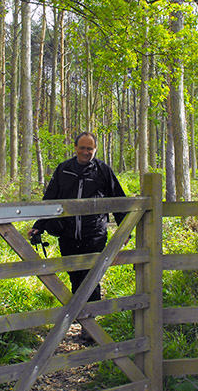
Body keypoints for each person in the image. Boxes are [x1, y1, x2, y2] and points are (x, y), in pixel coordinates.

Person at [28, 131, 126, 306]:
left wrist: (124, 230)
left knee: (91, 278)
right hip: (67, 234)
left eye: (90, 148)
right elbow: (50, 199)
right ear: (75, 148)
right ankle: (81, 318)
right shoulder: (63, 169)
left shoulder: (103, 171)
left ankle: (90, 328)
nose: (86, 152)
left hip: (94, 234)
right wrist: (39, 226)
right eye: (82, 147)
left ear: (95, 149)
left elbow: (119, 201)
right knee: (74, 277)